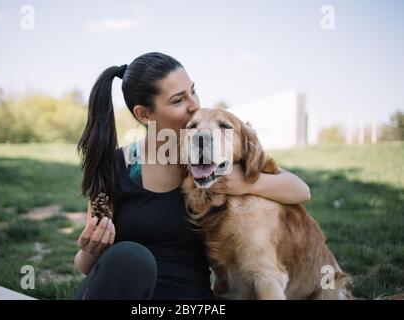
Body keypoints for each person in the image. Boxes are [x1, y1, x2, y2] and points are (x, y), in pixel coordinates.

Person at [73, 52, 311, 300]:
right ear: (145, 115)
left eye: (193, 91)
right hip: (123, 292)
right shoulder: (112, 166)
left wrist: (243, 184)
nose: (194, 105)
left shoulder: (215, 160)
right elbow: (85, 265)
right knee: (130, 257)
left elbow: (300, 190)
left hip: (189, 300)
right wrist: (91, 249)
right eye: (178, 100)